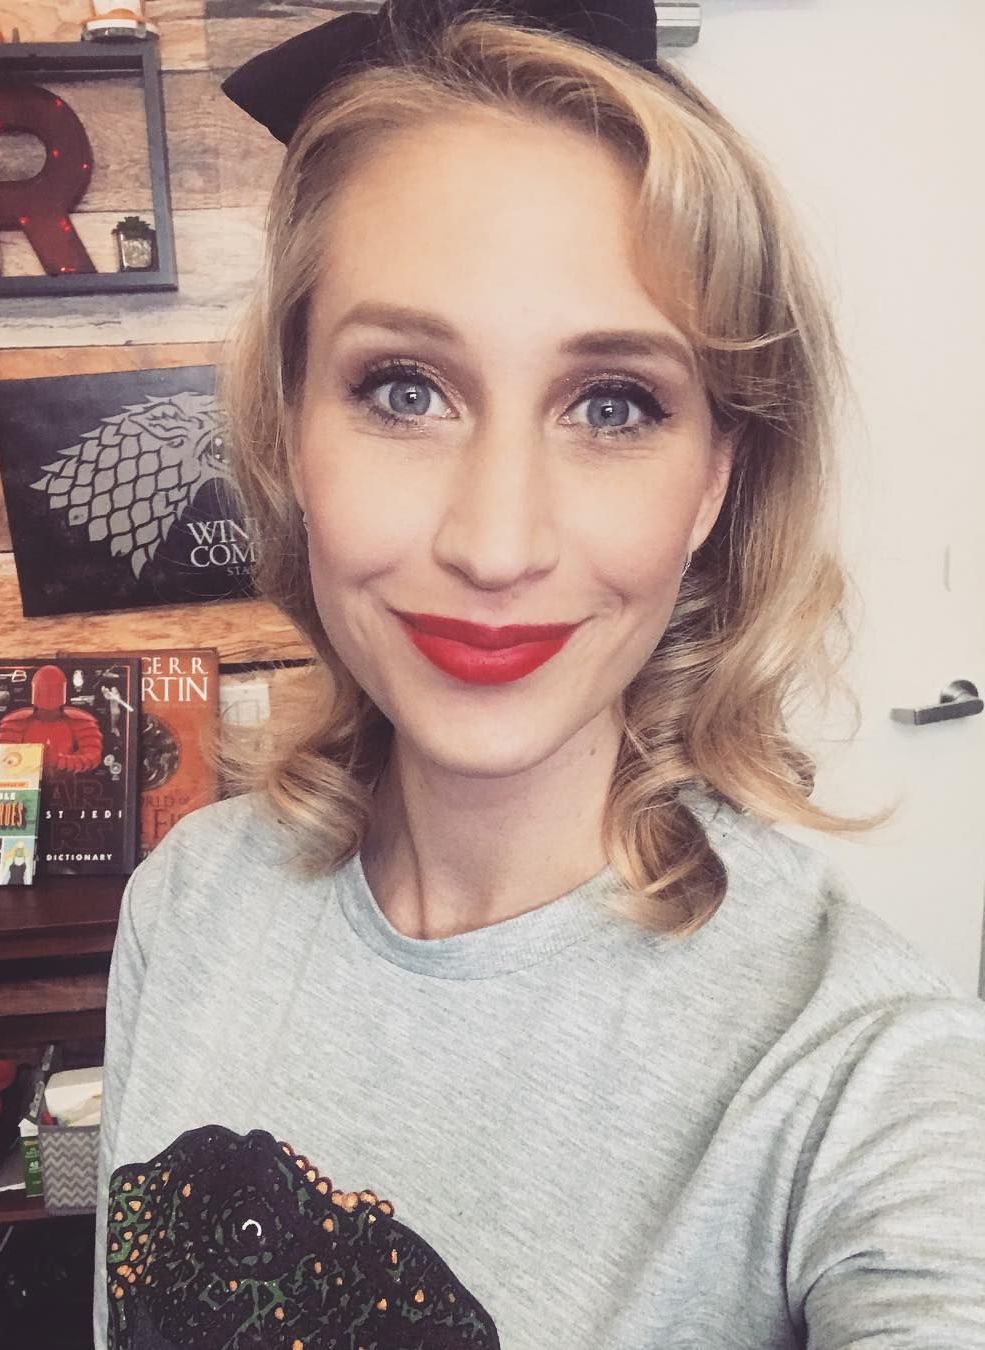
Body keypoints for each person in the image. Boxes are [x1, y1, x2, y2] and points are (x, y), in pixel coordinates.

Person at [92, 0, 985, 1346]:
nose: (495, 544)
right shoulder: (187, 905)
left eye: (613, 404)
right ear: (290, 428)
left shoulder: (856, 1073)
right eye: (404, 388)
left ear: (714, 481)